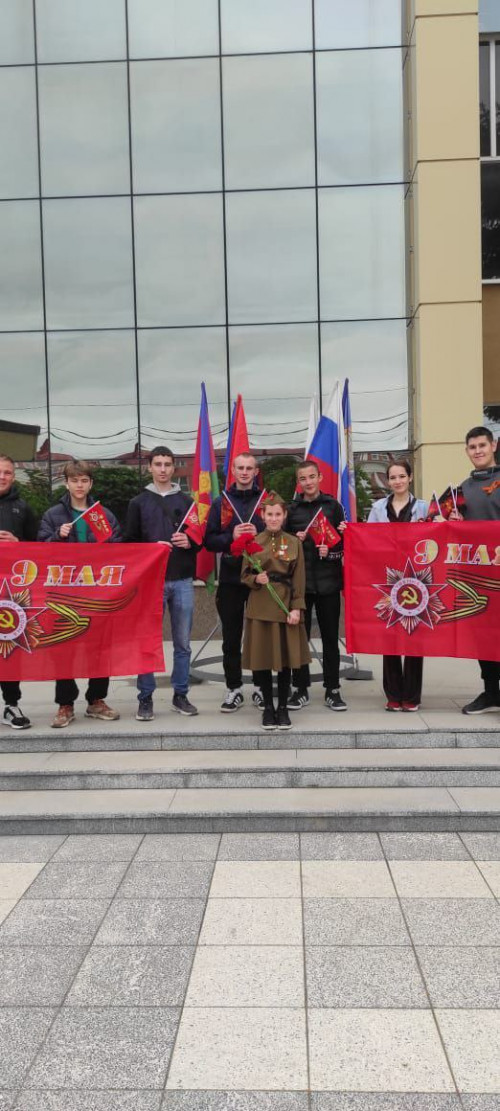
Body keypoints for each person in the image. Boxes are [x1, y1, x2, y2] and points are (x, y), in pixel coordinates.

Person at [38, 459, 121, 728]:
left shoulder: (103, 515)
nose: (79, 485)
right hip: (64, 595)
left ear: (90, 483)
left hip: (98, 595)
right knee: (64, 649)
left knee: (100, 648)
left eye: (84, 480)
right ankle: (65, 704)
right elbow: (40, 550)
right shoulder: (53, 515)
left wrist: (109, 545)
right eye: (74, 480)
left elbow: (120, 550)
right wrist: (56, 537)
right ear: (67, 483)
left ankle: (96, 699)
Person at [125, 445, 200, 720]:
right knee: (147, 642)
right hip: (150, 583)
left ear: (173, 468)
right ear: (150, 467)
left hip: (181, 579)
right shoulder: (138, 502)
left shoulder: (188, 501)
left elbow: (199, 543)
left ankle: (180, 695)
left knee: (183, 643)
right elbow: (128, 544)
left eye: (168, 464)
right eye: (158, 464)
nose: (163, 469)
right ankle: (145, 698)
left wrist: (189, 542)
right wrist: (150, 547)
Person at [241, 492, 310, 731]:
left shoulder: (294, 543)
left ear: (284, 516)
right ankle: (267, 708)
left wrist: (297, 608)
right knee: (262, 660)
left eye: (277, 514)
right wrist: (255, 578)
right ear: (262, 515)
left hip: (285, 606)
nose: (273, 519)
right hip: (260, 606)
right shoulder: (252, 542)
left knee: (285, 661)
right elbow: (244, 575)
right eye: (269, 514)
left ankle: (282, 708)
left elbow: (299, 578)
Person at [205, 452, 265, 712]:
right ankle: (234, 688)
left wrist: (259, 533)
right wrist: (231, 536)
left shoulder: (266, 501)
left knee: (261, 636)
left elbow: (277, 535)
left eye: (249, 468)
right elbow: (209, 541)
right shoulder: (221, 502)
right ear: (233, 471)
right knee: (231, 638)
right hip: (230, 579)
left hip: (259, 578)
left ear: (255, 471)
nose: (244, 472)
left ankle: (262, 687)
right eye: (240, 467)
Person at [286, 460, 347, 712]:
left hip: (329, 584)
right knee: (299, 639)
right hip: (301, 586)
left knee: (330, 638)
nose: (308, 482)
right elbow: (283, 548)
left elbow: (344, 546)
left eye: (312, 477)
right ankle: (300, 689)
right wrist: (294, 541)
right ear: (298, 482)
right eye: (303, 478)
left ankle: (333, 689)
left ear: (320, 477)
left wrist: (330, 549)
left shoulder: (333, 506)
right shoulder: (291, 510)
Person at [368, 459, 428, 711]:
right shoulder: (378, 507)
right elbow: (367, 539)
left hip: (418, 579)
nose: (397, 481)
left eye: (402, 476)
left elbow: (436, 539)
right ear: (388, 481)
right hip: (388, 578)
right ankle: (393, 694)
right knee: (390, 634)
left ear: (410, 477)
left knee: (415, 635)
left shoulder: (425, 508)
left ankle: (411, 696)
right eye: (392, 477)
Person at [450, 425, 500, 714]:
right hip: (479, 575)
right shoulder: (462, 490)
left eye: (482, 445)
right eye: (472, 447)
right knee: (484, 635)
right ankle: (491, 691)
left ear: (493, 446)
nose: (478, 451)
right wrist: (456, 521)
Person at [0, 455, 38, 729]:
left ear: (14, 476)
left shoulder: (23, 508)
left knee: (8, 649)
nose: (2, 476)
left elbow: (38, 549)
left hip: (10, 594)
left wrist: (19, 543)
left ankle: (11, 705)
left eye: (8, 472)